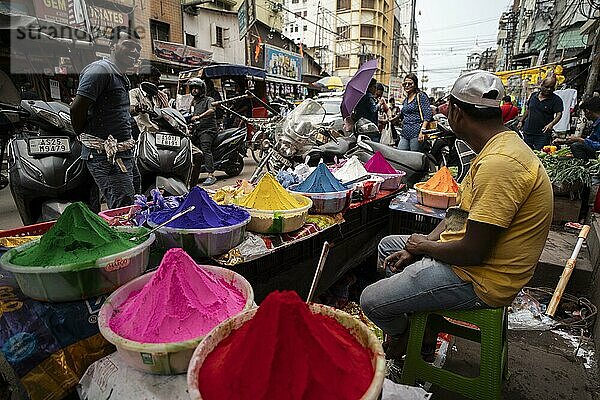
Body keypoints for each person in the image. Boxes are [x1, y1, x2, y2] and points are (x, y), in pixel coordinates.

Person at [360, 70, 553, 361]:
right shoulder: (496, 148)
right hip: (472, 259)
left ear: (457, 114)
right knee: (389, 245)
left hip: (482, 279)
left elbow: (473, 252)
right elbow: (459, 215)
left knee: (370, 301)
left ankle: (406, 334)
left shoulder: (500, 164)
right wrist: (424, 240)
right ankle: (415, 319)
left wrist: (424, 247)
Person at [70, 26, 141, 209]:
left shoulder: (121, 75)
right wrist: (85, 137)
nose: (134, 51)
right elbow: (77, 109)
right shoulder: (100, 70)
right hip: (106, 155)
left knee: (134, 201)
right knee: (125, 208)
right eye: (128, 45)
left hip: (123, 152)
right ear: (112, 45)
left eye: (137, 48)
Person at [517, 76, 563, 150]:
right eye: (546, 87)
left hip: (542, 134)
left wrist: (551, 124)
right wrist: (521, 121)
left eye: (551, 87)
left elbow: (559, 114)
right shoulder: (533, 96)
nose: (549, 89)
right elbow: (528, 109)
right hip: (528, 131)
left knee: (540, 154)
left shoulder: (556, 100)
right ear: (541, 85)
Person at [189, 78, 218, 186]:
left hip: (208, 130)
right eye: (193, 88)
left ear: (202, 89)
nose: (194, 90)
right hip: (197, 130)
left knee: (205, 148)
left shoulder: (208, 99)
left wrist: (199, 117)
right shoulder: (194, 102)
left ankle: (211, 175)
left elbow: (212, 110)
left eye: (197, 88)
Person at [397, 73, 432, 152]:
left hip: (416, 133)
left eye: (410, 84)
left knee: (414, 159)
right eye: (405, 84)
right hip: (405, 133)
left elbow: (428, 114)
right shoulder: (405, 100)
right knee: (400, 155)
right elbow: (402, 115)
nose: (407, 85)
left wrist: (422, 131)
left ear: (415, 85)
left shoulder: (420, 96)